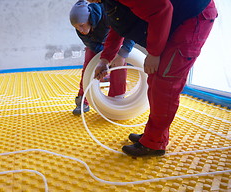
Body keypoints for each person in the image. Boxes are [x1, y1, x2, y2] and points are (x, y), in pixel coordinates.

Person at [89, 0, 217, 156]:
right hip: (175, 19)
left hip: (193, 18)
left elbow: (162, 9)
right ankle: (153, 135)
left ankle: (154, 144)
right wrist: (105, 60)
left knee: (166, 83)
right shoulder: (106, 2)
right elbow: (118, 26)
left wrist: (154, 53)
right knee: (155, 80)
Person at [69, 0, 135, 115]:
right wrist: (105, 58)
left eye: (81, 26)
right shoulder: (80, 28)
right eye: (76, 27)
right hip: (97, 44)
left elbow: (130, 31)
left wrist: (121, 54)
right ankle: (82, 100)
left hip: (114, 40)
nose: (80, 30)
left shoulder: (106, 13)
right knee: (88, 68)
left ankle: (117, 99)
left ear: (89, 18)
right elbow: (91, 44)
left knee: (119, 66)